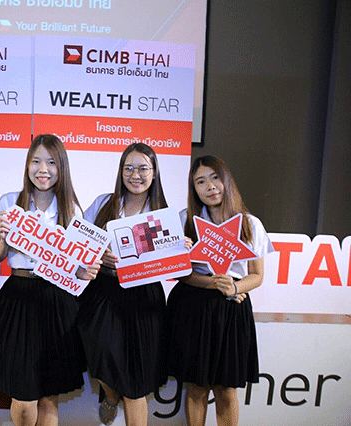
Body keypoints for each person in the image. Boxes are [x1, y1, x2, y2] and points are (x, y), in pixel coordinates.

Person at [0, 134, 100, 426]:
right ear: (27, 165)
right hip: (18, 298)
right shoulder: (9, 202)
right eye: (36, 161)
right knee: (23, 397)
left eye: (51, 162)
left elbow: (74, 267)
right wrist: (2, 239)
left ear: (61, 168)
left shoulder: (71, 209)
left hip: (56, 301)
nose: (43, 169)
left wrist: (83, 272)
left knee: (49, 396)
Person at [167, 155, 274, 426]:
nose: (210, 186)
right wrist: (214, 283)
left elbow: (257, 276)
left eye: (215, 178)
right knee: (196, 386)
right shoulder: (184, 220)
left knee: (226, 389)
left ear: (226, 180)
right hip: (193, 307)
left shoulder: (250, 223)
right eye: (200, 181)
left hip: (232, 308)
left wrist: (234, 287)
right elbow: (180, 272)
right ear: (194, 189)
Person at [77, 143, 170, 426]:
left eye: (143, 168)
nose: (135, 175)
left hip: (144, 296)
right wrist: (98, 254)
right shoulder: (103, 203)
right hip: (103, 292)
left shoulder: (162, 212)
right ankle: (110, 394)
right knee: (99, 356)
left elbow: (171, 262)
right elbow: (80, 243)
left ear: (154, 173)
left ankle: (121, 395)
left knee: (136, 381)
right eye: (128, 168)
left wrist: (181, 247)